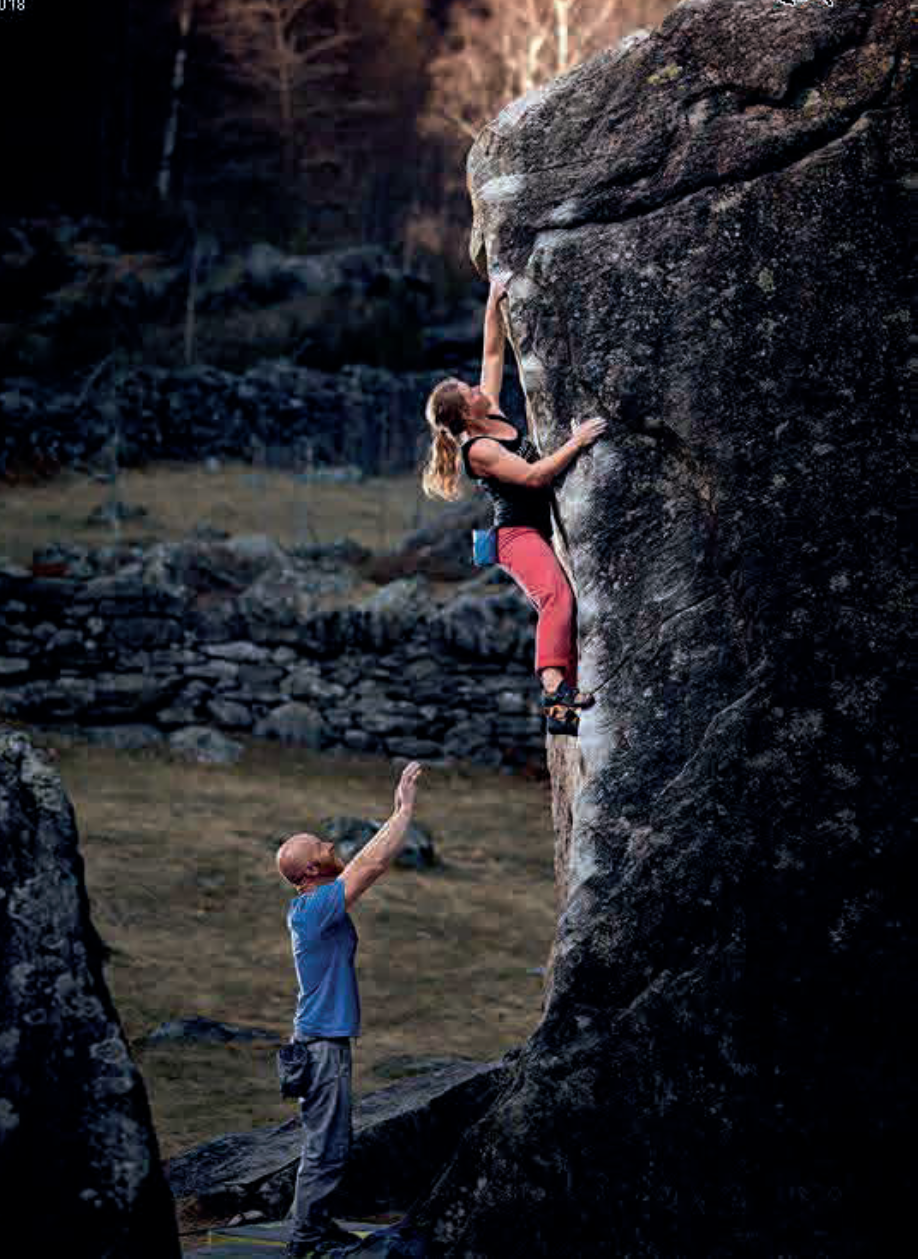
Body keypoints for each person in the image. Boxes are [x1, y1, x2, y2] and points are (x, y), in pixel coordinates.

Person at [422, 276, 606, 736]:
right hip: (515, 538)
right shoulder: (478, 448)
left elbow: (491, 354)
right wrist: (577, 442)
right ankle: (552, 689)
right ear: (466, 413)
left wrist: (492, 301)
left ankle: (561, 716)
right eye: (468, 390)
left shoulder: (491, 412)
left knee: (567, 608)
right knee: (557, 599)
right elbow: (534, 476)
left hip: (534, 532)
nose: (476, 386)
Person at [275, 760, 423, 1258]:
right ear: (311, 870)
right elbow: (371, 866)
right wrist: (404, 811)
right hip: (320, 1049)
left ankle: (318, 1226)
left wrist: (391, 817)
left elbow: (360, 858)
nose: (331, 846)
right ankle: (306, 1240)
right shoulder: (316, 909)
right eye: (322, 847)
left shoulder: (313, 904)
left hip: (318, 1043)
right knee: (327, 1148)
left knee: (329, 1143)